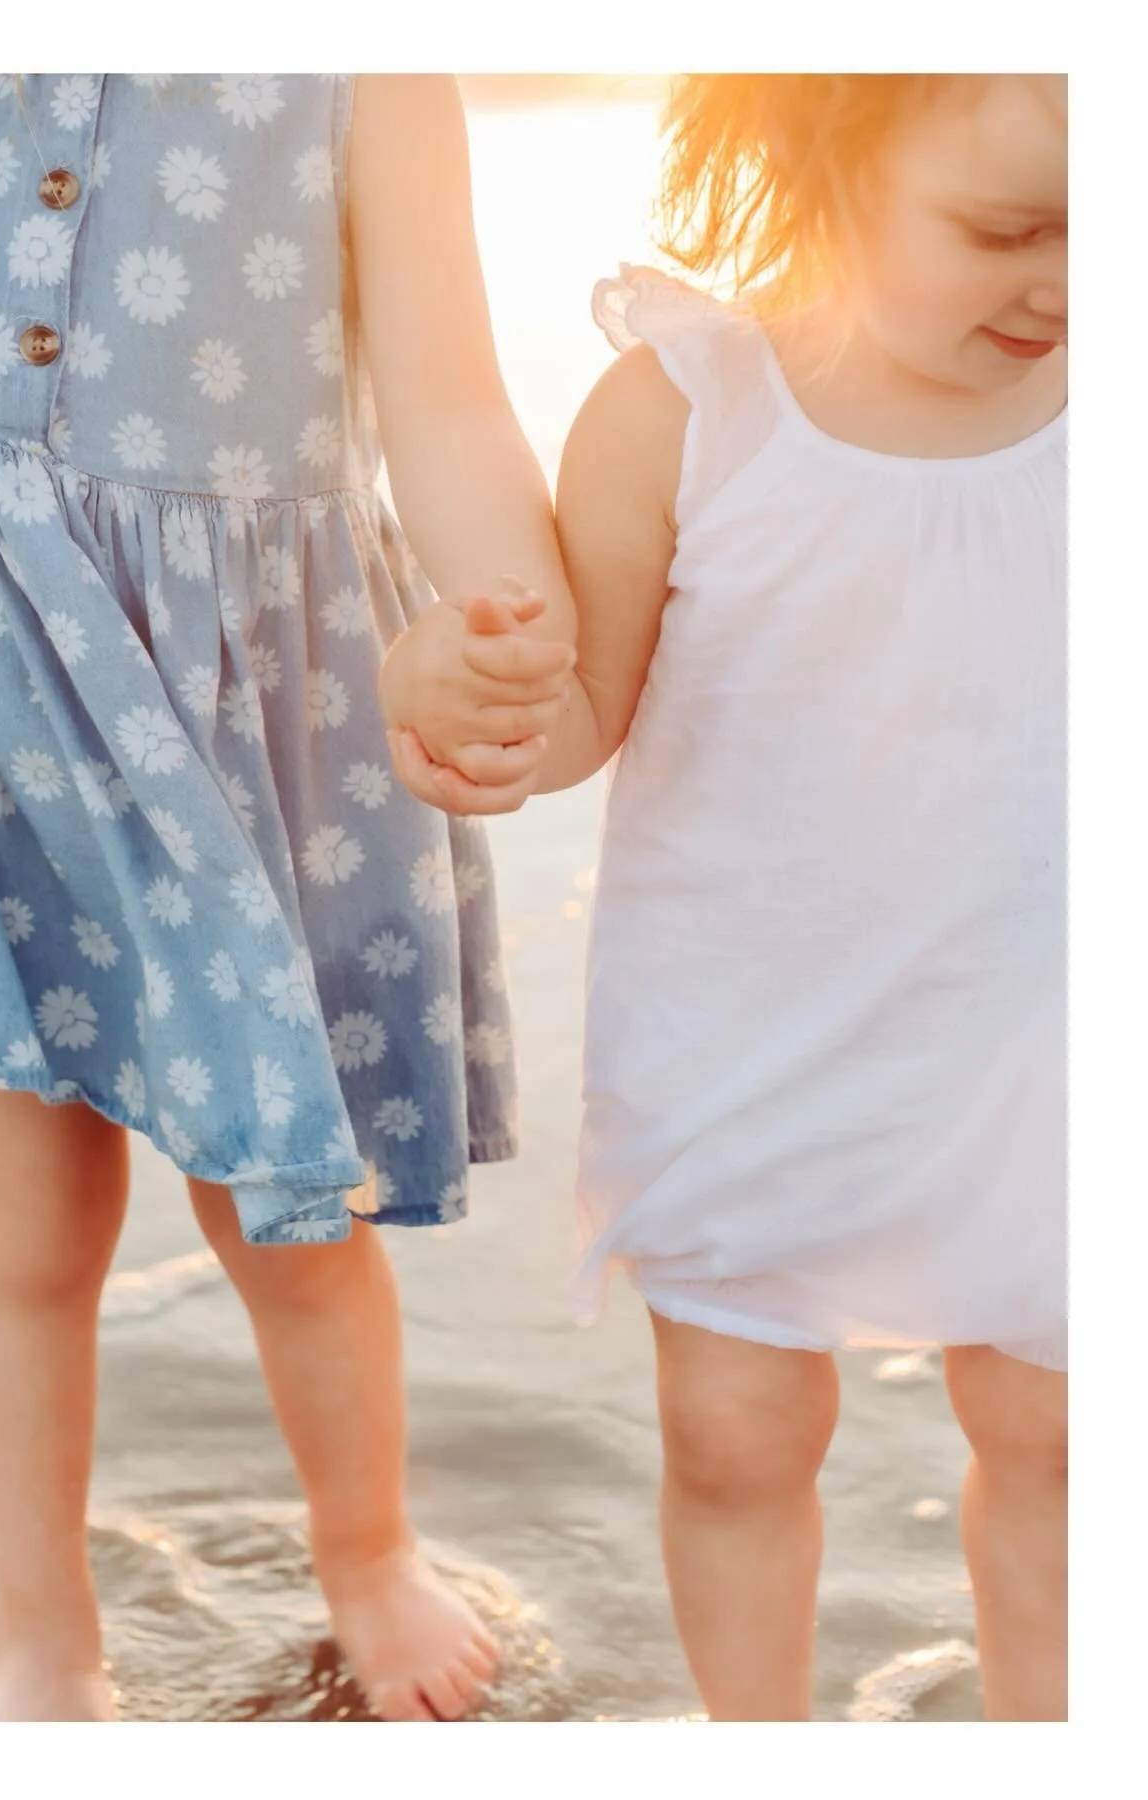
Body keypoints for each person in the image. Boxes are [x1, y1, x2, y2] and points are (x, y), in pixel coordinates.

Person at [0, 71, 577, 1722]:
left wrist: (501, 621)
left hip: (261, 700)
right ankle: (43, 1628)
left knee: (288, 1207)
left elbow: (447, 400)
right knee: (25, 1218)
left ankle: (366, 1551)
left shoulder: (363, 67)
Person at [384, 74, 1068, 1721]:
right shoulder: (685, 407)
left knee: (1060, 1433)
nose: (1067, 278)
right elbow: (575, 715)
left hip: (1044, 1038)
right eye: (1003, 229)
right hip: (753, 1024)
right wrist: (467, 696)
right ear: (816, 167)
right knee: (740, 1434)